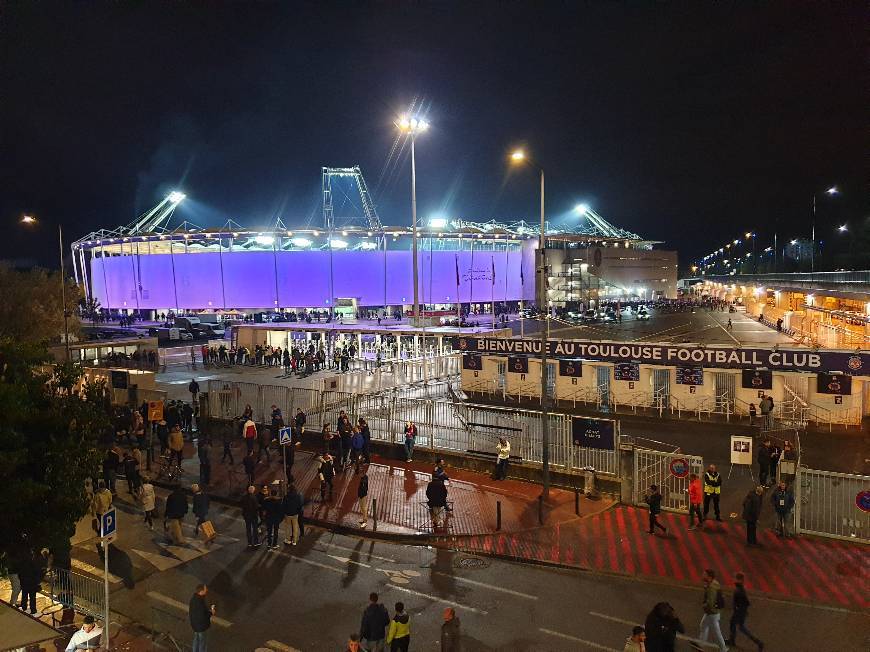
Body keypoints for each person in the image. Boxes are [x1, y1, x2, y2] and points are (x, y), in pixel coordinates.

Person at [726, 572, 764, 651]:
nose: (734, 580)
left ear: (740, 580)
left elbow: (746, 602)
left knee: (739, 626)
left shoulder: (739, 590)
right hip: (741, 611)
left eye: (736, 579)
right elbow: (746, 602)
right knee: (738, 626)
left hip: (739, 612)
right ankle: (732, 640)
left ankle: (758, 642)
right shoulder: (740, 588)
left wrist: (737, 608)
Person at [699, 569, 727, 652]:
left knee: (716, 632)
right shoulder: (714, 583)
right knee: (703, 626)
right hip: (714, 612)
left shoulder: (711, 588)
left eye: (704, 574)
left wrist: (703, 605)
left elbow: (710, 603)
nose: (702, 575)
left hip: (712, 613)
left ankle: (723, 648)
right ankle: (701, 644)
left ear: (709, 577)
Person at [189, 584, 215, 652]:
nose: (207, 590)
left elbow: (196, 612)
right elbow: (202, 616)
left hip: (195, 625)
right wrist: (211, 613)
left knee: (196, 640)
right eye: (205, 589)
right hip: (201, 626)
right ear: (201, 591)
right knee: (202, 643)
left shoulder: (194, 599)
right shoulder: (199, 602)